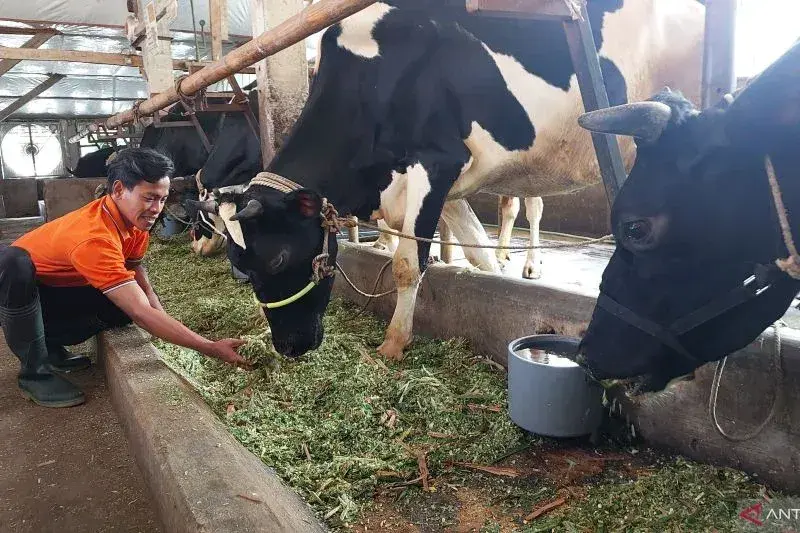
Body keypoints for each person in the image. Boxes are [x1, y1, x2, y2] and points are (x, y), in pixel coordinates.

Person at [0, 147, 249, 408]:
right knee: (13, 261)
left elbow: (136, 270)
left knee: (120, 310)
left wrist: (162, 316)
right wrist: (210, 347)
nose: (157, 208)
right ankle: (34, 374)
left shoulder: (135, 222)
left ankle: (49, 347)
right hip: (17, 297)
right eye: (149, 198)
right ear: (118, 190)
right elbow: (141, 311)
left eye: (163, 199)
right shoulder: (95, 237)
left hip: (53, 292)